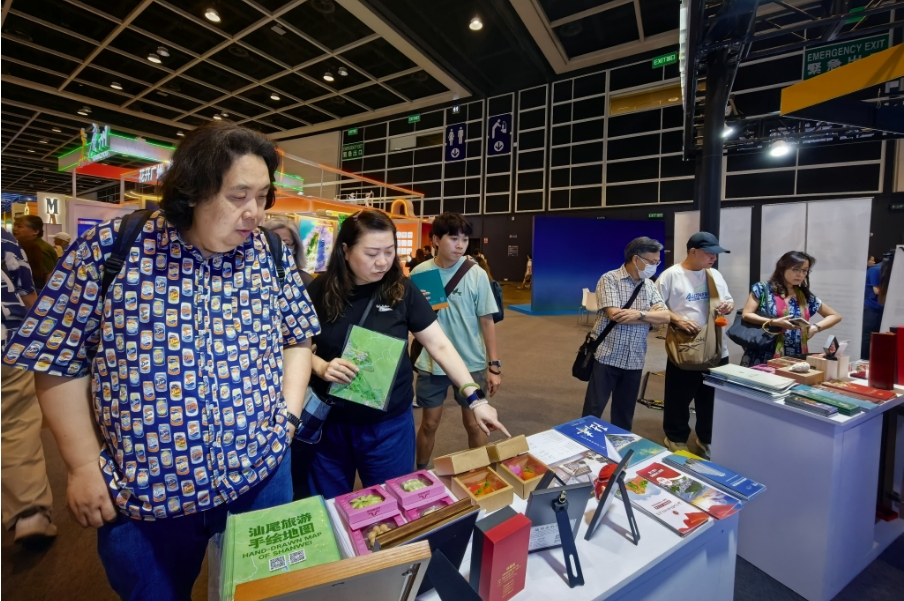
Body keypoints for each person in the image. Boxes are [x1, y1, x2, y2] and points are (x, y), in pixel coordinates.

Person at [2, 121, 317, 599]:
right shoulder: (113, 248)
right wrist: (84, 465)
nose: (254, 212)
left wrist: (288, 418)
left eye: (262, 196)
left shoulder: (268, 252)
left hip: (261, 477)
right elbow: (58, 359)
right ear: (191, 190)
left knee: (266, 592)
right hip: (148, 499)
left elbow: (298, 337)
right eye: (238, 195)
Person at [292, 210, 509, 499]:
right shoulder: (319, 290)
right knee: (328, 506)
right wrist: (320, 366)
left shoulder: (401, 290)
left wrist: (474, 397)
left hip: (388, 427)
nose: (382, 261)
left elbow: (439, 345)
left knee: (394, 503)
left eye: (389, 251)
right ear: (345, 250)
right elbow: (292, 347)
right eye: (371, 253)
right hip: (329, 424)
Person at [412, 213, 502, 469]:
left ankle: (481, 472)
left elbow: (487, 321)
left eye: (464, 239)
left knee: (474, 421)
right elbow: (412, 321)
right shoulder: (420, 273)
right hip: (432, 362)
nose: (460, 244)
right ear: (436, 240)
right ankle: (419, 472)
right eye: (454, 238)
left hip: (471, 361)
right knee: (429, 423)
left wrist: (494, 365)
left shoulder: (476, 274)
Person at [1, 229, 57, 542]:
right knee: (16, 424)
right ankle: (29, 513)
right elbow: (26, 291)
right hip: (6, 342)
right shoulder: (3, 240)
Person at [657, 232, 734, 459]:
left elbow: (727, 299)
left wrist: (728, 306)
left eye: (715, 254)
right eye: (709, 254)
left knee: (711, 398)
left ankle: (706, 438)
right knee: (679, 397)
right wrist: (677, 319)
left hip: (716, 346)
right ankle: (676, 438)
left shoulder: (714, 275)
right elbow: (655, 308)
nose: (713, 258)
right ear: (693, 252)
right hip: (686, 347)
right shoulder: (671, 276)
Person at [582, 237, 670, 430]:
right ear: (636, 258)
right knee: (593, 411)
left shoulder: (649, 285)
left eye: (657, 263)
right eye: (651, 262)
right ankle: (582, 447)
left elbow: (664, 316)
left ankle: (619, 451)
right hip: (607, 356)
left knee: (624, 414)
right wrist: (649, 316)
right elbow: (615, 315)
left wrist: (639, 314)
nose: (655, 266)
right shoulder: (610, 279)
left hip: (635, 359)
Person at [741, 251, 842, 365]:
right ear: (782, 268)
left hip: (794, 355)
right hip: (762, 350)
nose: (800, 274)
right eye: (796, 269)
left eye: (804, 270)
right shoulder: (762, 289)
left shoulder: (804, 295)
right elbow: (746, 315)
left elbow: (835, 316)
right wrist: (773, 322)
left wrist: (815, 328)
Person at [262, 216, 314, 287]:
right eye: (272, 243)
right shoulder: (251, 278)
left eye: (286, 244)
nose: (279, 249)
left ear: (295, 248)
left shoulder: (306, 282)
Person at [862, 250, 894, 359]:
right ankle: (864, 359)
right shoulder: (875, 270)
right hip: (872, 307)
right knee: (868, 335)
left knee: (880, 335)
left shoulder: (891, 270)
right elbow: (877, 290)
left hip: (883, 308)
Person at [12, 215, 58, 291]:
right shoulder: (24, 245)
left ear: (35, 231)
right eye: (15, 225)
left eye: (19, 226)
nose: (15, 229)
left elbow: (49, 274)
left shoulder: (41, 248)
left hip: (38, 291)